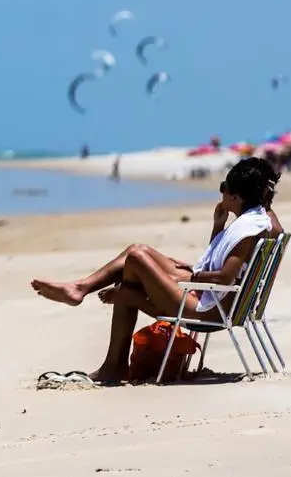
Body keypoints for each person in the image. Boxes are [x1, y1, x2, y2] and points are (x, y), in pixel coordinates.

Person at [29, 157, 277, 385]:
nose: (221, 193)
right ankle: (88, 294)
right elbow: (222, 265)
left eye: (224, 188)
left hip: (209, 309)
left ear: (235, 198)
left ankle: (109, 353)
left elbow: (224, 277)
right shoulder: (254, 222)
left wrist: (193, 276)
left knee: (136, 259)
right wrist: (217, 227)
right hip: (215, 299)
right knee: (137, 252)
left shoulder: (247, 231)